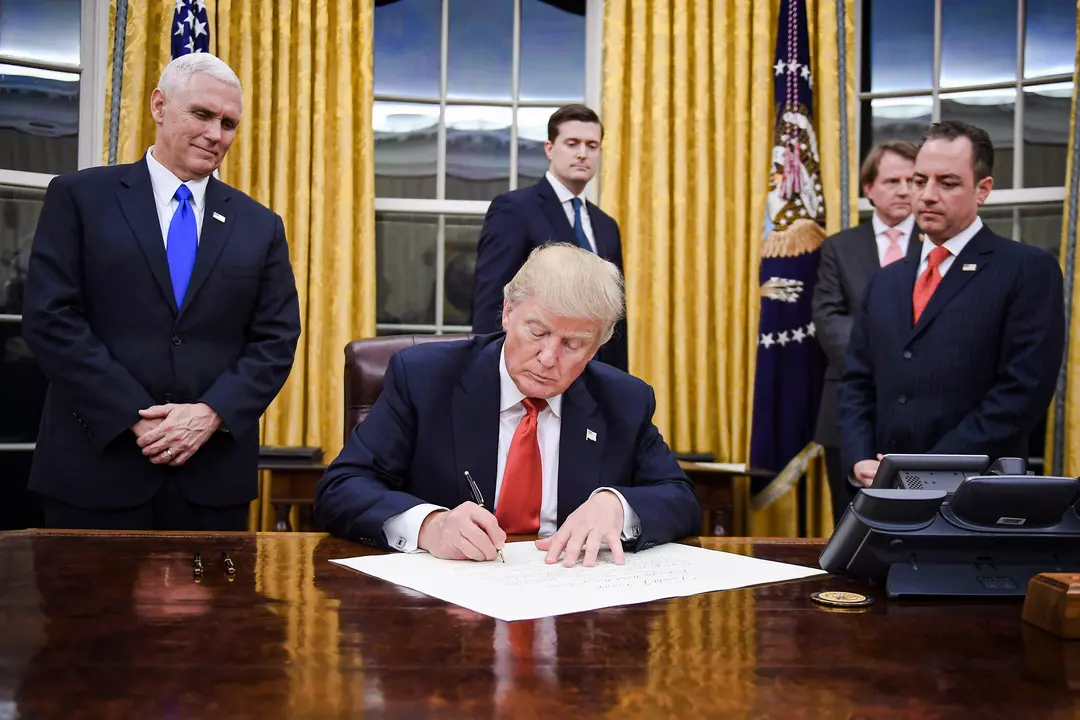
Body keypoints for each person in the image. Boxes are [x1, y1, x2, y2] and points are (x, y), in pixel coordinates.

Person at [21, 53, 301, 530]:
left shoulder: (260, 225)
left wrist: (211, 413)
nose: (216, 134)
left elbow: (276, 339)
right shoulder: (79, 198)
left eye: (229, 123)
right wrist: (135, 416)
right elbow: (52, 318)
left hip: (209, 483)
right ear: (158, 105)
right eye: (202, 114)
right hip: (95, 473)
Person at [317, 244, 700, 566]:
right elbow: (341, 488)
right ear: (507, 313)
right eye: (537, 332)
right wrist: (430, 525)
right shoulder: (425, 379)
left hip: (571, 607)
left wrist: (618, 506)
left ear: (598, 346)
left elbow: (681, 499)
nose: (549, 357)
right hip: (445, 609)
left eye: (573, 344)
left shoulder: (623, 401)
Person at [839, 121, 1065, 486]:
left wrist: (923, 471)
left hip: (974, 499)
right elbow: (856, 382)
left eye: (947, 183)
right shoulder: (887, 278)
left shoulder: (1027, 270)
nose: (927, 195)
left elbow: (1021, 393)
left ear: (983, 190)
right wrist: (858, 457)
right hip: (878, 495)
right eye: (919, 180)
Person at [471, 104, 628, 371]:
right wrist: (491, 374)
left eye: (591, 146)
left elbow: (614, 313)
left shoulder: (606, 225)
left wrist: (618, 379)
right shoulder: (514, 209)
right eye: (572, 143)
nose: (582, 154)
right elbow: (493, 303)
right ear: (549, 148)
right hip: (536, 367)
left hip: (595, 374)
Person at [812, 141, 921, 525]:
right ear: (869, 187)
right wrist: (890, 366)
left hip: (920, 411)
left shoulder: (935, 245)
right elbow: (829, 321)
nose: (905, 190)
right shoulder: (839, 247)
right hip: (847, 410)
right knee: (851, 527)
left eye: (913, 180)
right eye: (893, 180)